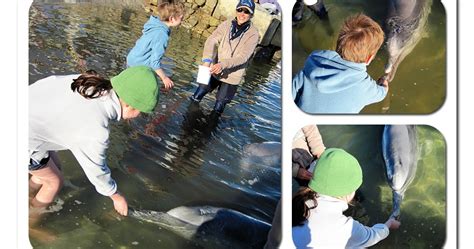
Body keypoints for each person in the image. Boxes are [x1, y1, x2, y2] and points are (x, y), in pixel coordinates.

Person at [29, 66, 160, 217]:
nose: (137, 116)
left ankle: (28, 194)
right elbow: (96, 171)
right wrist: (116, 197)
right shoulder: (96, 130)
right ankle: (30, 222)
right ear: (130, 104)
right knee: (53, 182)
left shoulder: (89, 82)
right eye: (140, 112)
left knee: (53, 167)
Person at [292, 148, 400, 248]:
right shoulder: (347, 227)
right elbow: (372, 236)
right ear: (348, 194)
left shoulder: (294, 203)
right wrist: (388, 224)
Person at [292, 14, 389, 114]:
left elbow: (292, 91)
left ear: (338, 44)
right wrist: (383, 83)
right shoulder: (367, 88)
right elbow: (381, 93)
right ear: (369, 59)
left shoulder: (313, 62)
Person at [189, 0, 260, 114]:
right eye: (240, 10)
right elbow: (212, 40)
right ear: (236, 10)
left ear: (251, 15)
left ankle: (209, 129)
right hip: (214, 69)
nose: (242, 14)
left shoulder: (253, 34)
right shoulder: (227, 24)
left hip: (232, 76)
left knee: (218, 108)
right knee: (196, 96)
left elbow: (243, 57)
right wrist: (207, 60)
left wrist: (223, 65)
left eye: (246, 12)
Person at [126, 1, 185, 90]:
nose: (182, 21)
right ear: (172, 19)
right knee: (141, 90)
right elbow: (154, 62)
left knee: (128, 85)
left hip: (132, 58)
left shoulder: (155, 23)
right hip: (139, 65)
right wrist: (164, 78)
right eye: (181, 18)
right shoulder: (162, 35)